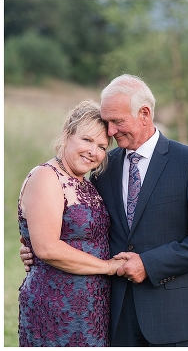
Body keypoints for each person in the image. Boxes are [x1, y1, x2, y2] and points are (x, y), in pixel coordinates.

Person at [21, 74, 188, 346]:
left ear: (144, 114)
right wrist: (35, 247)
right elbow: (82, 227)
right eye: (107, 122)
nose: (109, 131)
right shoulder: (103, 169)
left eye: (116, 121)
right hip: (114, 316)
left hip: (178, 315)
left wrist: (148, 264)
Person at [17, 99, 124, 346]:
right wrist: (108, 267)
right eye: (86, 140)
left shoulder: (88, 184)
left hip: (92, 308)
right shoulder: (46, 176)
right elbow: (47, 248)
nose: (93, 151)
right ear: (67, 135)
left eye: (101, 146)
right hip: (56, 306)